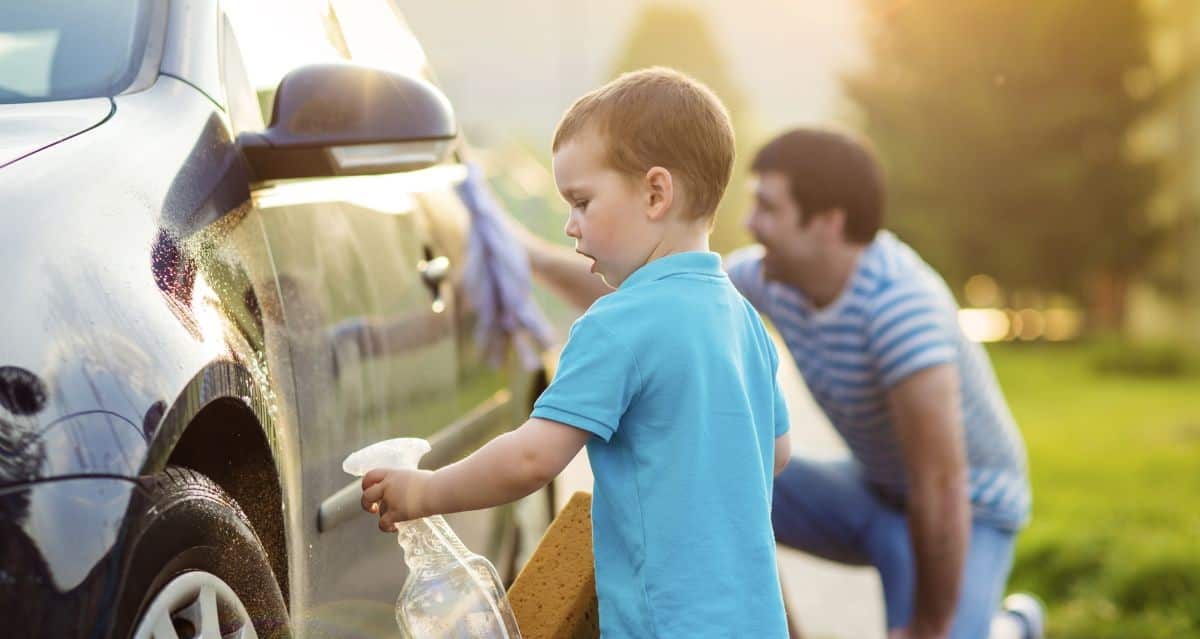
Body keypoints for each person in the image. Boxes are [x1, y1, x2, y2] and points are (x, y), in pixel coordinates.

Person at [512, 128, 1037, 639]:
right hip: (876, 488)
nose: (750, 223)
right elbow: (647, 301)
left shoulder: (901, 311)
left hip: (969, 505)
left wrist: (929, 627)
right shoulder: (774, 276)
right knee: (718, 468)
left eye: (768, 208)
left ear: (828, 223)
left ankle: (1010, 626)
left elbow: (940, 485)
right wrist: (528, 255)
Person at [360, 67, 792, 638]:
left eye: (582, 202)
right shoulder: (741, 318)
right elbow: (777, 451)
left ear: (656, 193)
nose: (569, 225)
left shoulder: (617, 323)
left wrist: (424, 490)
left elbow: (530, 460)